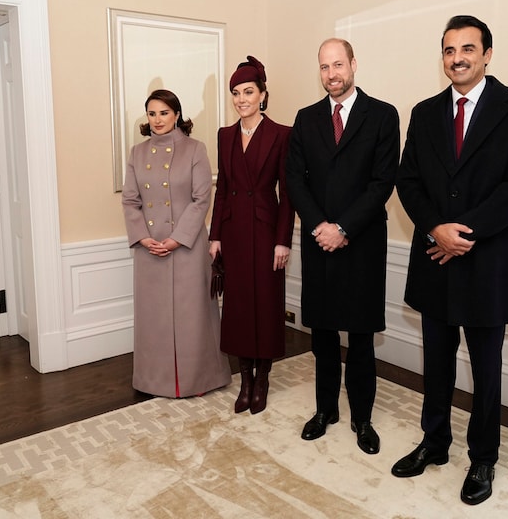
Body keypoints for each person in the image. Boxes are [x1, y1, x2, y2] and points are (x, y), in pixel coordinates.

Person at [391, 15, 508, 505]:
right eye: (448, 49)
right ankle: (434, 443)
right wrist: (436, 228)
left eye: (467, 49)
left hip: (489, 261)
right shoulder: (424, 111)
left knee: (486, 367)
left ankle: (483, 458)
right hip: (435, 256)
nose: (457, 58)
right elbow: (408, 180)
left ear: (487, 54)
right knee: (435, 362)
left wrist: (465, 233)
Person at [286, 38, 400, 455]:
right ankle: (324, 411)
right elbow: (295, 179)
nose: (331, 74)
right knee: (323, 334)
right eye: (323, 67)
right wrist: (320, 225)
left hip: (362, 242)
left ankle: (362, 419)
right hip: (319, 242)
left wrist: (344, 228)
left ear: (353, 64)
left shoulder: (383, 115)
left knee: (362, 337)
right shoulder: (306, 118)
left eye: (338, 65)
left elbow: (382, 182)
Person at [122, 89, 231, 398]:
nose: (158, 120)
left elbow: (201, 199)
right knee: (153, 317)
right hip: (149, 248)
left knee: (193, 315)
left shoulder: (195, 149)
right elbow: (130, 201)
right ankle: (153, 380)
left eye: (164, 113)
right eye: (152, 114)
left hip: (187, 246)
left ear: (177, 115)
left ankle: (201, 378)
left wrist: (176, 239)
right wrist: (144, 237)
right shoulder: (137, 153)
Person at [209, 55, 295, 415]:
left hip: (265, 230)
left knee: (265, 305)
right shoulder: (225, 135)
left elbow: (288, 192)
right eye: (235, 93)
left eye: (248, 91)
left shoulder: (282, 134)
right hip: (232, 232)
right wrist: (214, 236)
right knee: (240, 308)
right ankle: (244, 378)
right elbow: (222, 186)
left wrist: (283, 240)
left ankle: (263, 379)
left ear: (262, 94)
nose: (241, 98)